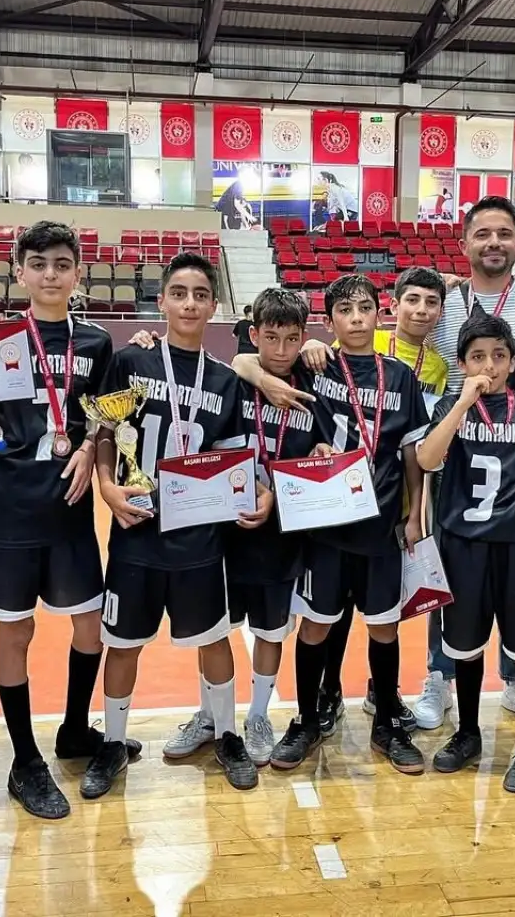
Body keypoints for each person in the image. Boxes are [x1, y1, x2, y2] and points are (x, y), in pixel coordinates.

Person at [0, 221, 137, 820]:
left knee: (90, 627)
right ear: (19, 272)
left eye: (62, 264)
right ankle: (24, 759)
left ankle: (74, 729)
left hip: (70, 506)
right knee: (15, 632)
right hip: (9, 508)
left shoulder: (96, 343)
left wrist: (87, 446)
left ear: (78, 273)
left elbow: (104, 416)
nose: (50, 274)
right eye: (38, 264)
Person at [84, 252, 271, 799]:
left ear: (214, 306)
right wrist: (106, 485)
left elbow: (234, 458)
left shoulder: (226, 380)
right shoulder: (131, 362)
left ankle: (228, 735)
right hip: (137, 529)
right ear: (162, 300)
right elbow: (104, 431)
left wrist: (255, 496)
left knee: (213, 639)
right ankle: (113, 742)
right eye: (180, 293)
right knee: (122, 644)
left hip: (199, 535)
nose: (190, 303)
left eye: (201, 295)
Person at [259, 267, 448, 733]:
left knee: (384, 626)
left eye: (366, 308)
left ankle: (385, 722)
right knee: (316, 625)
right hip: (324, 526)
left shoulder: (400, 377)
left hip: (381, 524)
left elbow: (411, 452)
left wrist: (414, 515)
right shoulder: (313, 367)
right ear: (329, 322)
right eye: (345, 310)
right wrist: (306, 347)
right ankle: (307, 721)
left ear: (380, 315)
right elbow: (247, 363)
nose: (357, 318)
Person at [424, 195, 515, 732]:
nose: (493, 243)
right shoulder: (442, 303)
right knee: (449, 574)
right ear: (464, 242)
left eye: (504, 233)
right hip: (454, 450)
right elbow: (403, 348)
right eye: (482, 233)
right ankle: (438, 679)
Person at [416, 313, 515, 792]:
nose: (489, 365)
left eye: (498, 355)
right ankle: (468, 732)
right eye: (478, 356)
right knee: (464, 647)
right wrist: (463, 403)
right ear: (462, 362)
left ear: (511, 361)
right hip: (463, 546)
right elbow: (426, 459)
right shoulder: (450, 407)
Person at [228, 289, 319, 765]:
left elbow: (320, 458)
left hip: (283, 533)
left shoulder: (314, 388)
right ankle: (213, 715)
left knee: (270, 629)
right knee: (216, 629)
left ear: (304, 338)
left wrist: (277, 493)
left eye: (292, 339)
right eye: (270, 338)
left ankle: (259, 714)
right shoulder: (233, 381)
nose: (281, 350)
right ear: (254, 334)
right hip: (226, 529)